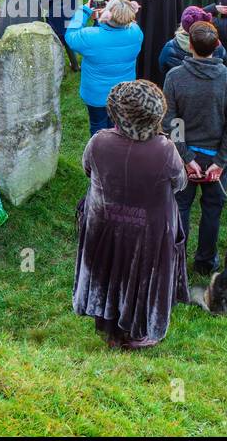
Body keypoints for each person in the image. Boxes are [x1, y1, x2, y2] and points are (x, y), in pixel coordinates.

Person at [74, 79, 189, 349]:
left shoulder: (99, 141)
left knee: (108, 272)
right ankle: (138, 332)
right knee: (141, 279)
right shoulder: (164, 149)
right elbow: (180, 183)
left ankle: (111, 328)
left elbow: (88, 170)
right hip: (149, 229)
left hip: (104, 223)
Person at [163, 21, 227, 276]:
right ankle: (205, 262)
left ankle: (180, 261)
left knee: (181, 207)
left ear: (190, 45)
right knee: (210, 210)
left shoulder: (175, 76)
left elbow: (170, 122)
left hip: (193, 157)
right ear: (217, 45)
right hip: (211, 157)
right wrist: (221, 161)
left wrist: (187, 158)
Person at [66, 0, 144, 135]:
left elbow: (70, 35)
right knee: (117, 124)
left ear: (107, 15)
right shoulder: (136, 32)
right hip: (123, 92)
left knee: (98, 125)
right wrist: (119, 8)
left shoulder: (90, 37)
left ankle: (99, 150)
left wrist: (84, 10)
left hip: (96, 94)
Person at [43, 0, 79, 71]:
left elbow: (45, 5)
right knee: (68, 41)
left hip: (56, 19)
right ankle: (75, 65)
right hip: (71, 15)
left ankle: (59, 69)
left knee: (57, 43)